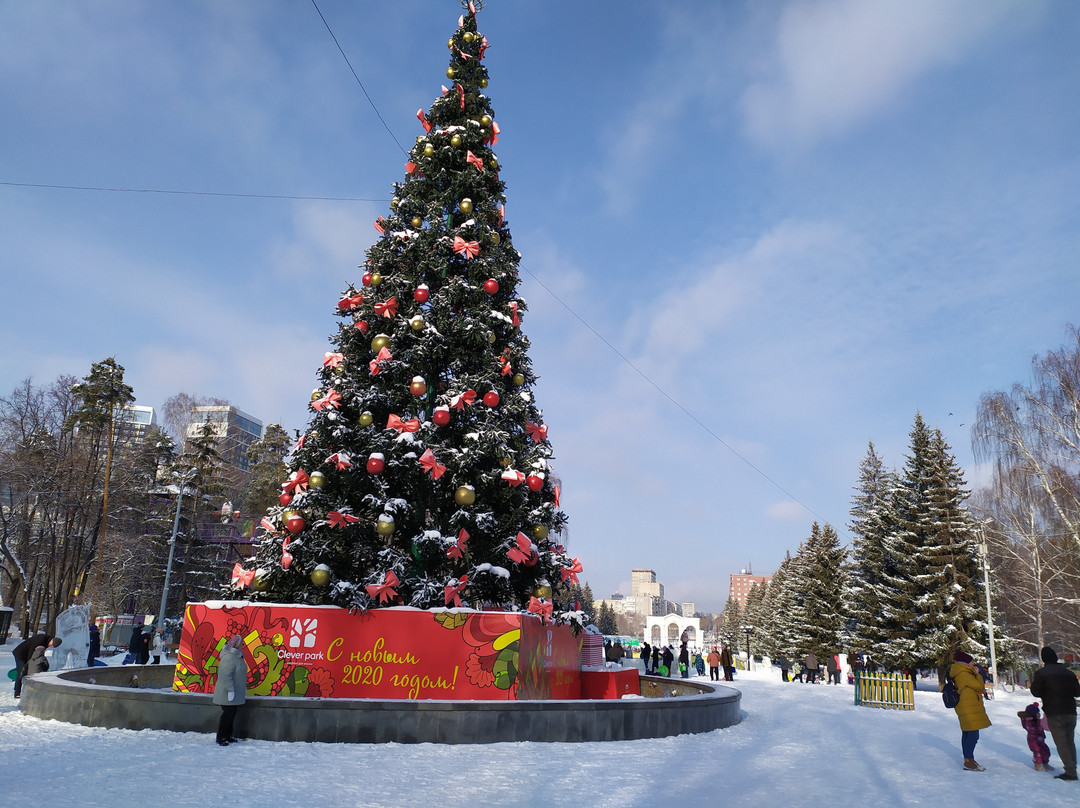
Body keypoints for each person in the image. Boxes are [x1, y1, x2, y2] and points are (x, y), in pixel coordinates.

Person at [1031, 645, 1080, 781]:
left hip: (1054, 712)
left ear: (1044, 659)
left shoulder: (1041, 673)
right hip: (1070, 711)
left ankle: (1070, 773)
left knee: (1062, 743)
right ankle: (1072, 768)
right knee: (1070, 742)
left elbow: (1035, 692)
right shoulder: (1068, 673)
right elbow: (1078, 692)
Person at [950, 650, 991, 771]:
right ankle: (968, 761)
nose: (973, 664)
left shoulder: (961, 671)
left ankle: (968, 759)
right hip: (968, 706)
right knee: (973, 734)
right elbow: (978, 686)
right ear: (965, 663)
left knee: (967, 732)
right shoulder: (964, 673)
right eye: (971, 662)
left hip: (966, 705)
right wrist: (978, 674)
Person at [213, 634, 248, 746]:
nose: (243, 646)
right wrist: (230, 690)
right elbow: (225, 675)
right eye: (242, 644)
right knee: (227, 714)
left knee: (231, 713)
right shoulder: (229, 657)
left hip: (234, 692)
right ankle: (221, 737)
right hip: (227, 692)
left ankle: (227, 735)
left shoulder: (237, 656)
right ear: (237, 646)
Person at [12, 633, 55, 698]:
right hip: (20, 654)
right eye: (52, 644)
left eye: (52, 646)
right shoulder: (41, 639)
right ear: (52, 640)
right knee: (21, 672)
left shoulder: (45, 642)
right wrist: (29, 663)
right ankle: (17, 692)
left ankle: (23, 690)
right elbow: (31, 652)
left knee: (24, 671)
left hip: (26, 654)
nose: (50, 646)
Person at [1017, 702, 1054, 772]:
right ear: (1032, 715)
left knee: (1046, 751)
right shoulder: (1028, 722)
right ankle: (1038, 765)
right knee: (1038, 752)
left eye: (1039, 713)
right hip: (1033, 741)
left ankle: (1045, 763)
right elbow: (1031, 728)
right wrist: (1039, 727)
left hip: (1040, 740)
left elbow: (1044, 724)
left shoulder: (1037, 721)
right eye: (1037, 713)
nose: (1039, 714)